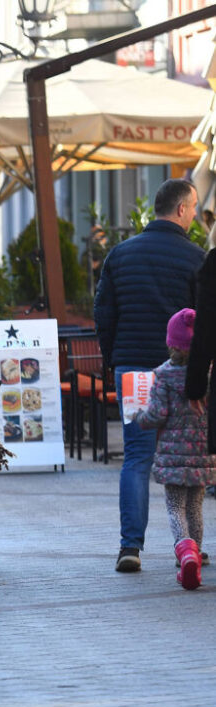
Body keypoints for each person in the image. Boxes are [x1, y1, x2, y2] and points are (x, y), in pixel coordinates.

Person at [95, 178, 205, 573]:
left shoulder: (119, 255)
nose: (195, 214)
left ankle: (130, 547)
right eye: (193, 207)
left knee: (136, 458)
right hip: (183, 373)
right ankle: (193, 542)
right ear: (180, 209)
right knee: (191, 456)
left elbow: (103, 313)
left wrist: (114, 360)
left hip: (134, 369)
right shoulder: (196, 259)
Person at [135, 308, 215, 590]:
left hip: (172, 455)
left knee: (174, 507)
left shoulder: (164, 375)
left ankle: (185, 552)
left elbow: (157, 415)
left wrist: (138, 418)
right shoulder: (209, 374)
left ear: (171, 343)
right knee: (195, 506)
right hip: (204, 454)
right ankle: (197, 553)